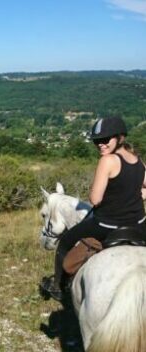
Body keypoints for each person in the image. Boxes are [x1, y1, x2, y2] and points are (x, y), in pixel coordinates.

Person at [41, 116, 146, 301]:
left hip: (107, 224)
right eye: (97, 141)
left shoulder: (108, 161)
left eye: (106, 140)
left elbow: (95, 199)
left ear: (120, 138)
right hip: (139, 224)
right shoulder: (138, 161)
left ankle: (57, 286)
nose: (101, 144)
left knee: (65, 241)